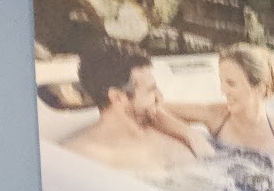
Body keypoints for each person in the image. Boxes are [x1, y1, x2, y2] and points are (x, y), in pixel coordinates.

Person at [64, 38, 199, 171]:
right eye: (150, 90)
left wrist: (186, 132)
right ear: (117, 97)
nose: (160, 97)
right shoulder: (82, 157)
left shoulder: (163, 136)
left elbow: (204, 160)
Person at [159, 43, 274, 164]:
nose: (223, 90)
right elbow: (156, 108)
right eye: (222, 81)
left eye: (231, 83)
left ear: (259, 89)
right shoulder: (216, 116)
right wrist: (189, 134)